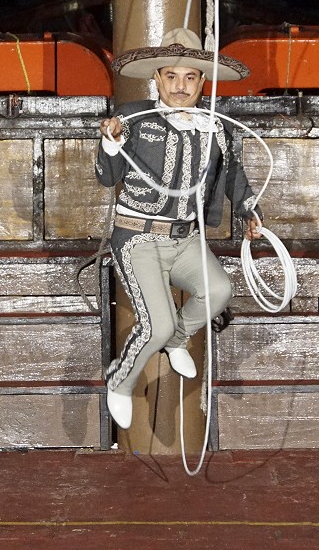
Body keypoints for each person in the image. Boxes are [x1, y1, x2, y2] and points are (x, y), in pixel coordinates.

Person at [95, 27, 263, 429]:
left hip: (186, 238)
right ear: (157, 78)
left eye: (190, 77)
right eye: (171, 76)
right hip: (138, 237)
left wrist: (249, 212)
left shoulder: (217, 126)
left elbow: (233, 175)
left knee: (218, 291)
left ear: (202, 82)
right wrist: (110, 142)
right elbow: (107, 176)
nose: (180, 86)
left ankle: (176, 341)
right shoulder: (132, 118)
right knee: (157, 324)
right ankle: (120, 381)